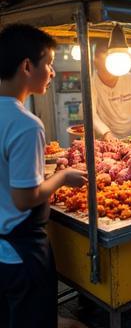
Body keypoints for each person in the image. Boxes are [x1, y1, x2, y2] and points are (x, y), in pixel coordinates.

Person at [0, 24, 89, 328]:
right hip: (20, 253)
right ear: (27, 66)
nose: (52, 72)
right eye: (49, 63)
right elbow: (25, 199)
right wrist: (63, 177)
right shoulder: (26, 124)